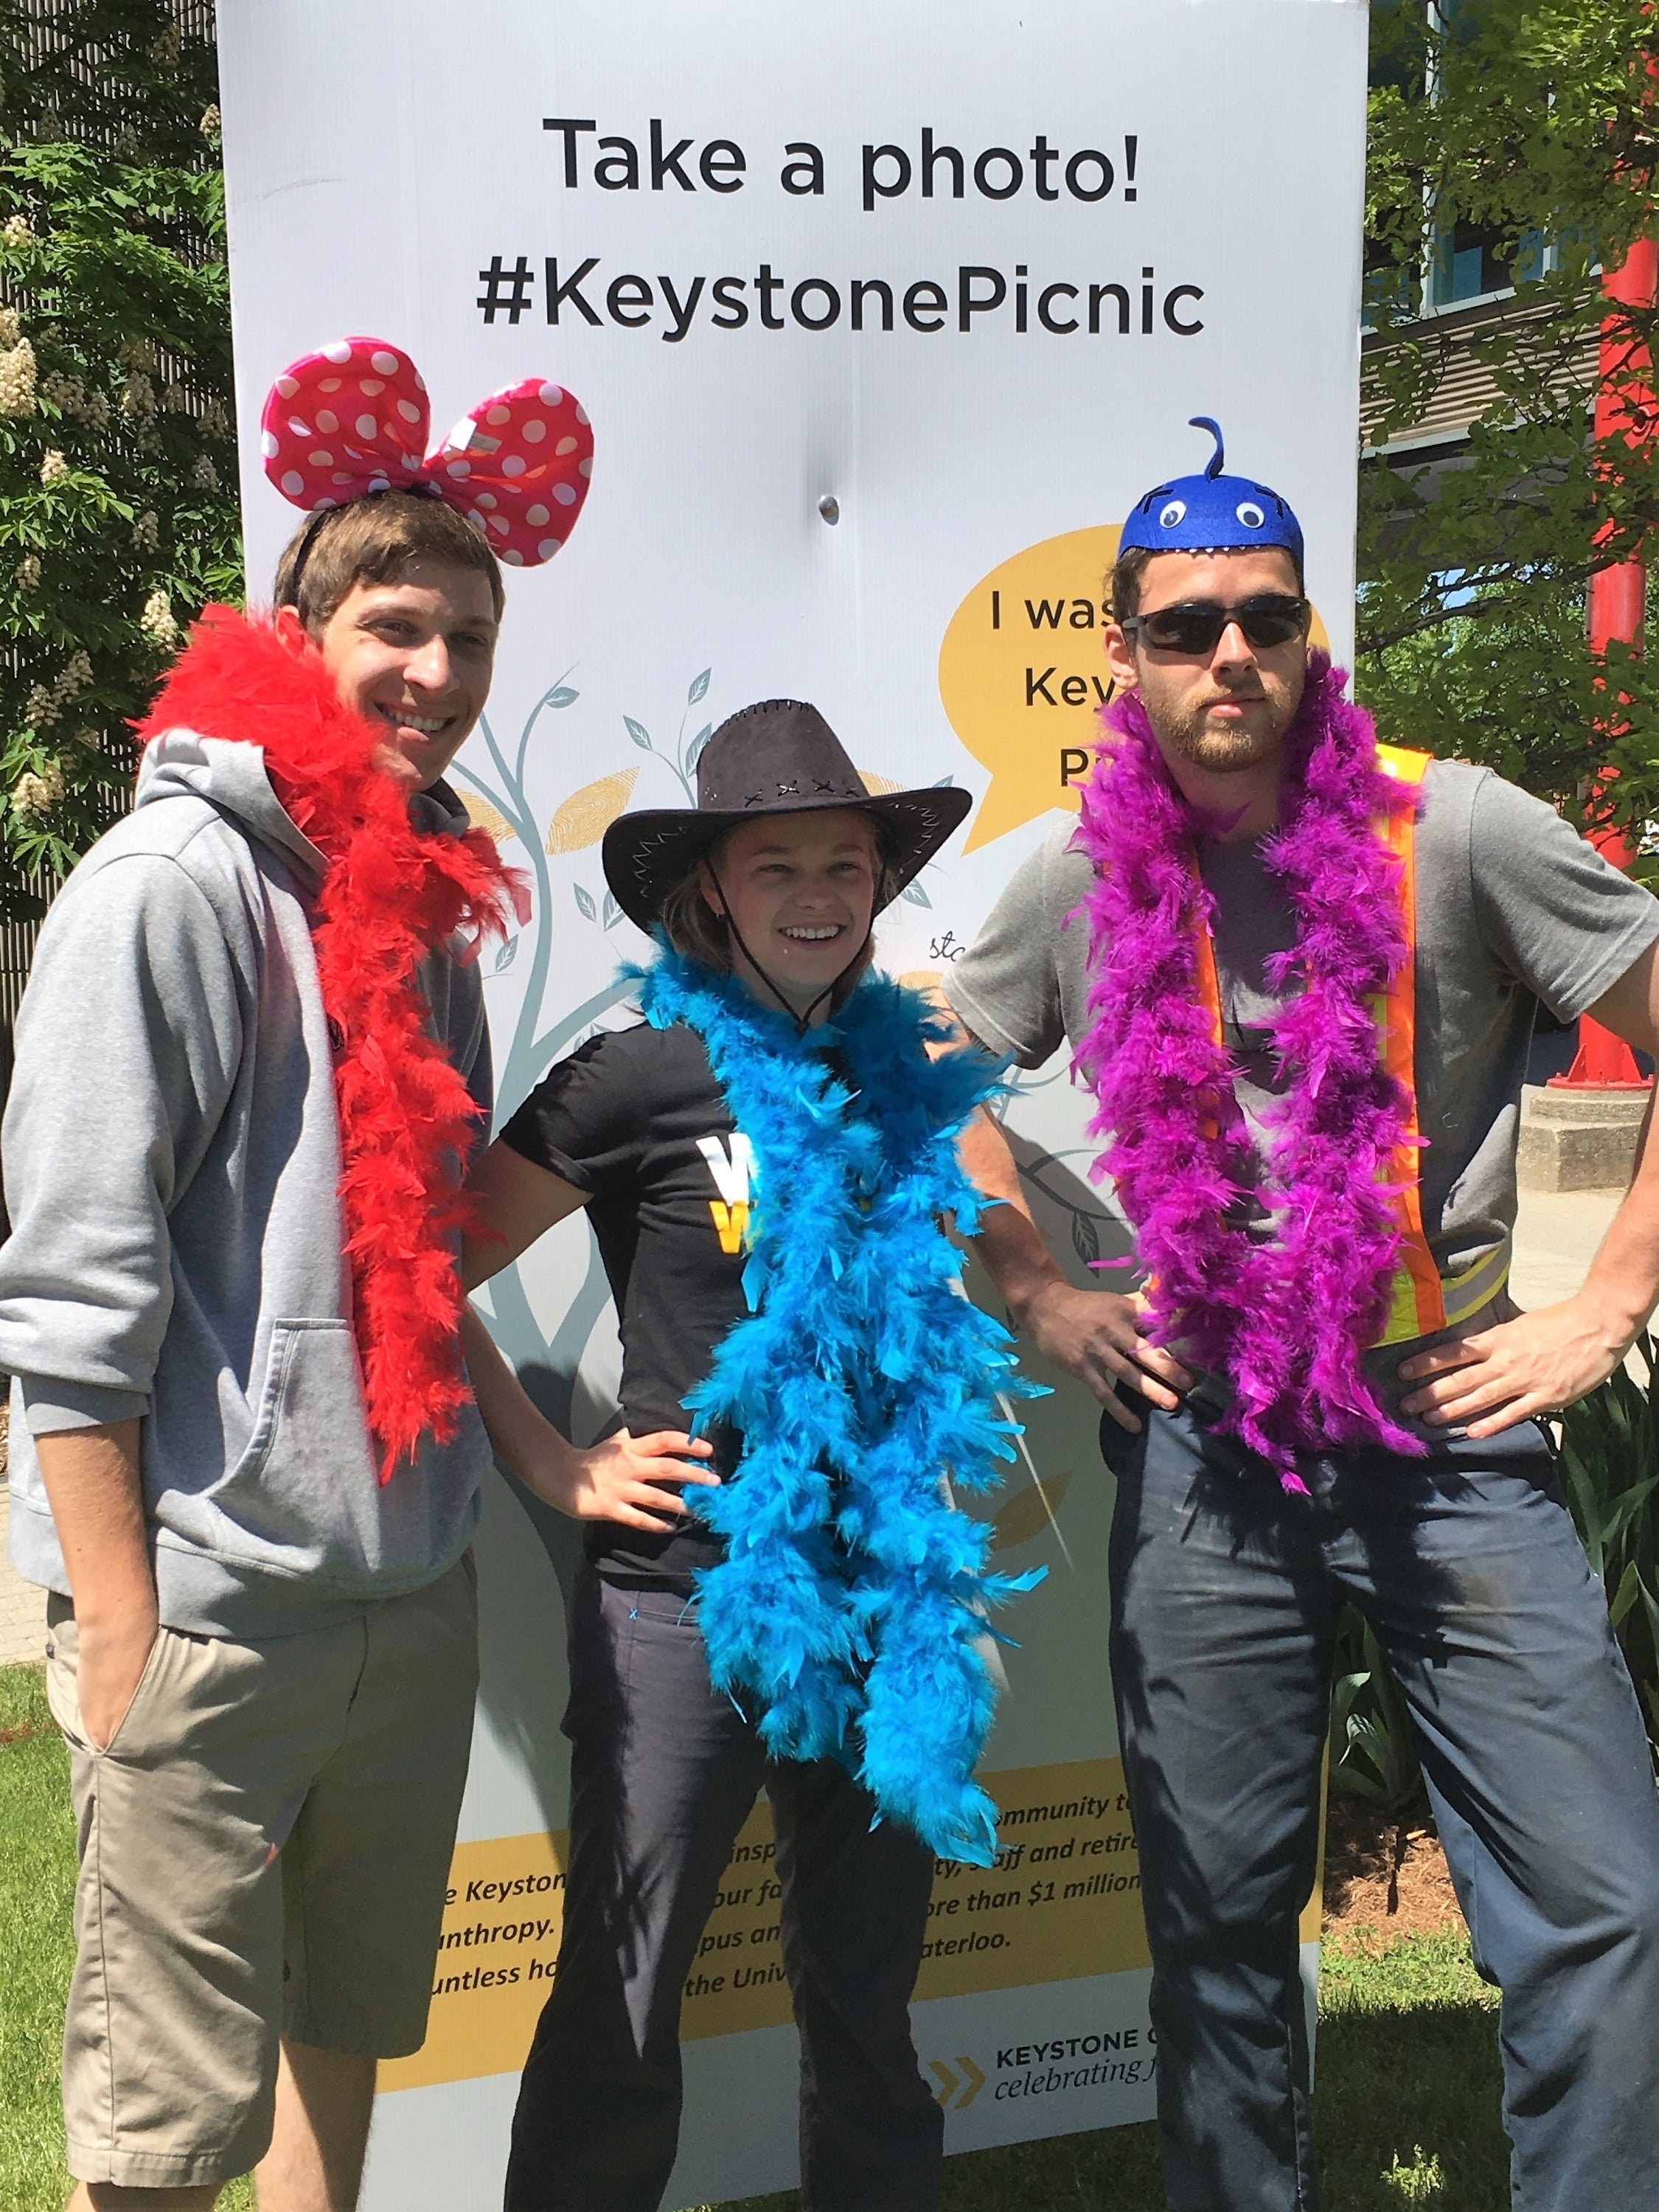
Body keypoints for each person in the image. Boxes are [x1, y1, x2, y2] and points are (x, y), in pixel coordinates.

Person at [942, 417, 1659, 2210]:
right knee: (1216, 1932)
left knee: (1608, 1909)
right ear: (1124, 653)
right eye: (1185, 628)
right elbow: (900, 1085)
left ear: (1311, 631)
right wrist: (1036, 1288)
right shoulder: (1073, 878)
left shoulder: (1459, 827)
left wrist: (1606, 1309)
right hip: (1204, 1457)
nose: (1231, 656)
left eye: (1265, 617)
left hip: (1448, 1428)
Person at [0, 335, 592, 2211]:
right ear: (300, 625)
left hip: (407, 1590)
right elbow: (68, 1303)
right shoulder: (167, 887)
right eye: (398, 626)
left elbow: (416, 1266)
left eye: (470, 640)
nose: (435, 675)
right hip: (211, 1607)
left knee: (345, 2040)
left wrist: (520, 1461)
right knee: (165, 2129)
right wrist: (115, 1629)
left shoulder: (426, 905)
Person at [458, 700, 1037, 2212]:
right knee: (624, 2006)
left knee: (867, 2005)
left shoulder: (908, 1072)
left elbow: (997, 1234)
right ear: (713, 888)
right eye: (776, 865)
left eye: (843, 862)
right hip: (679, 1601)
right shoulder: (638, 1073)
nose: (817, 895)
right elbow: (409, 1264)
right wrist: (553, 1463)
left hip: (885, 1602)